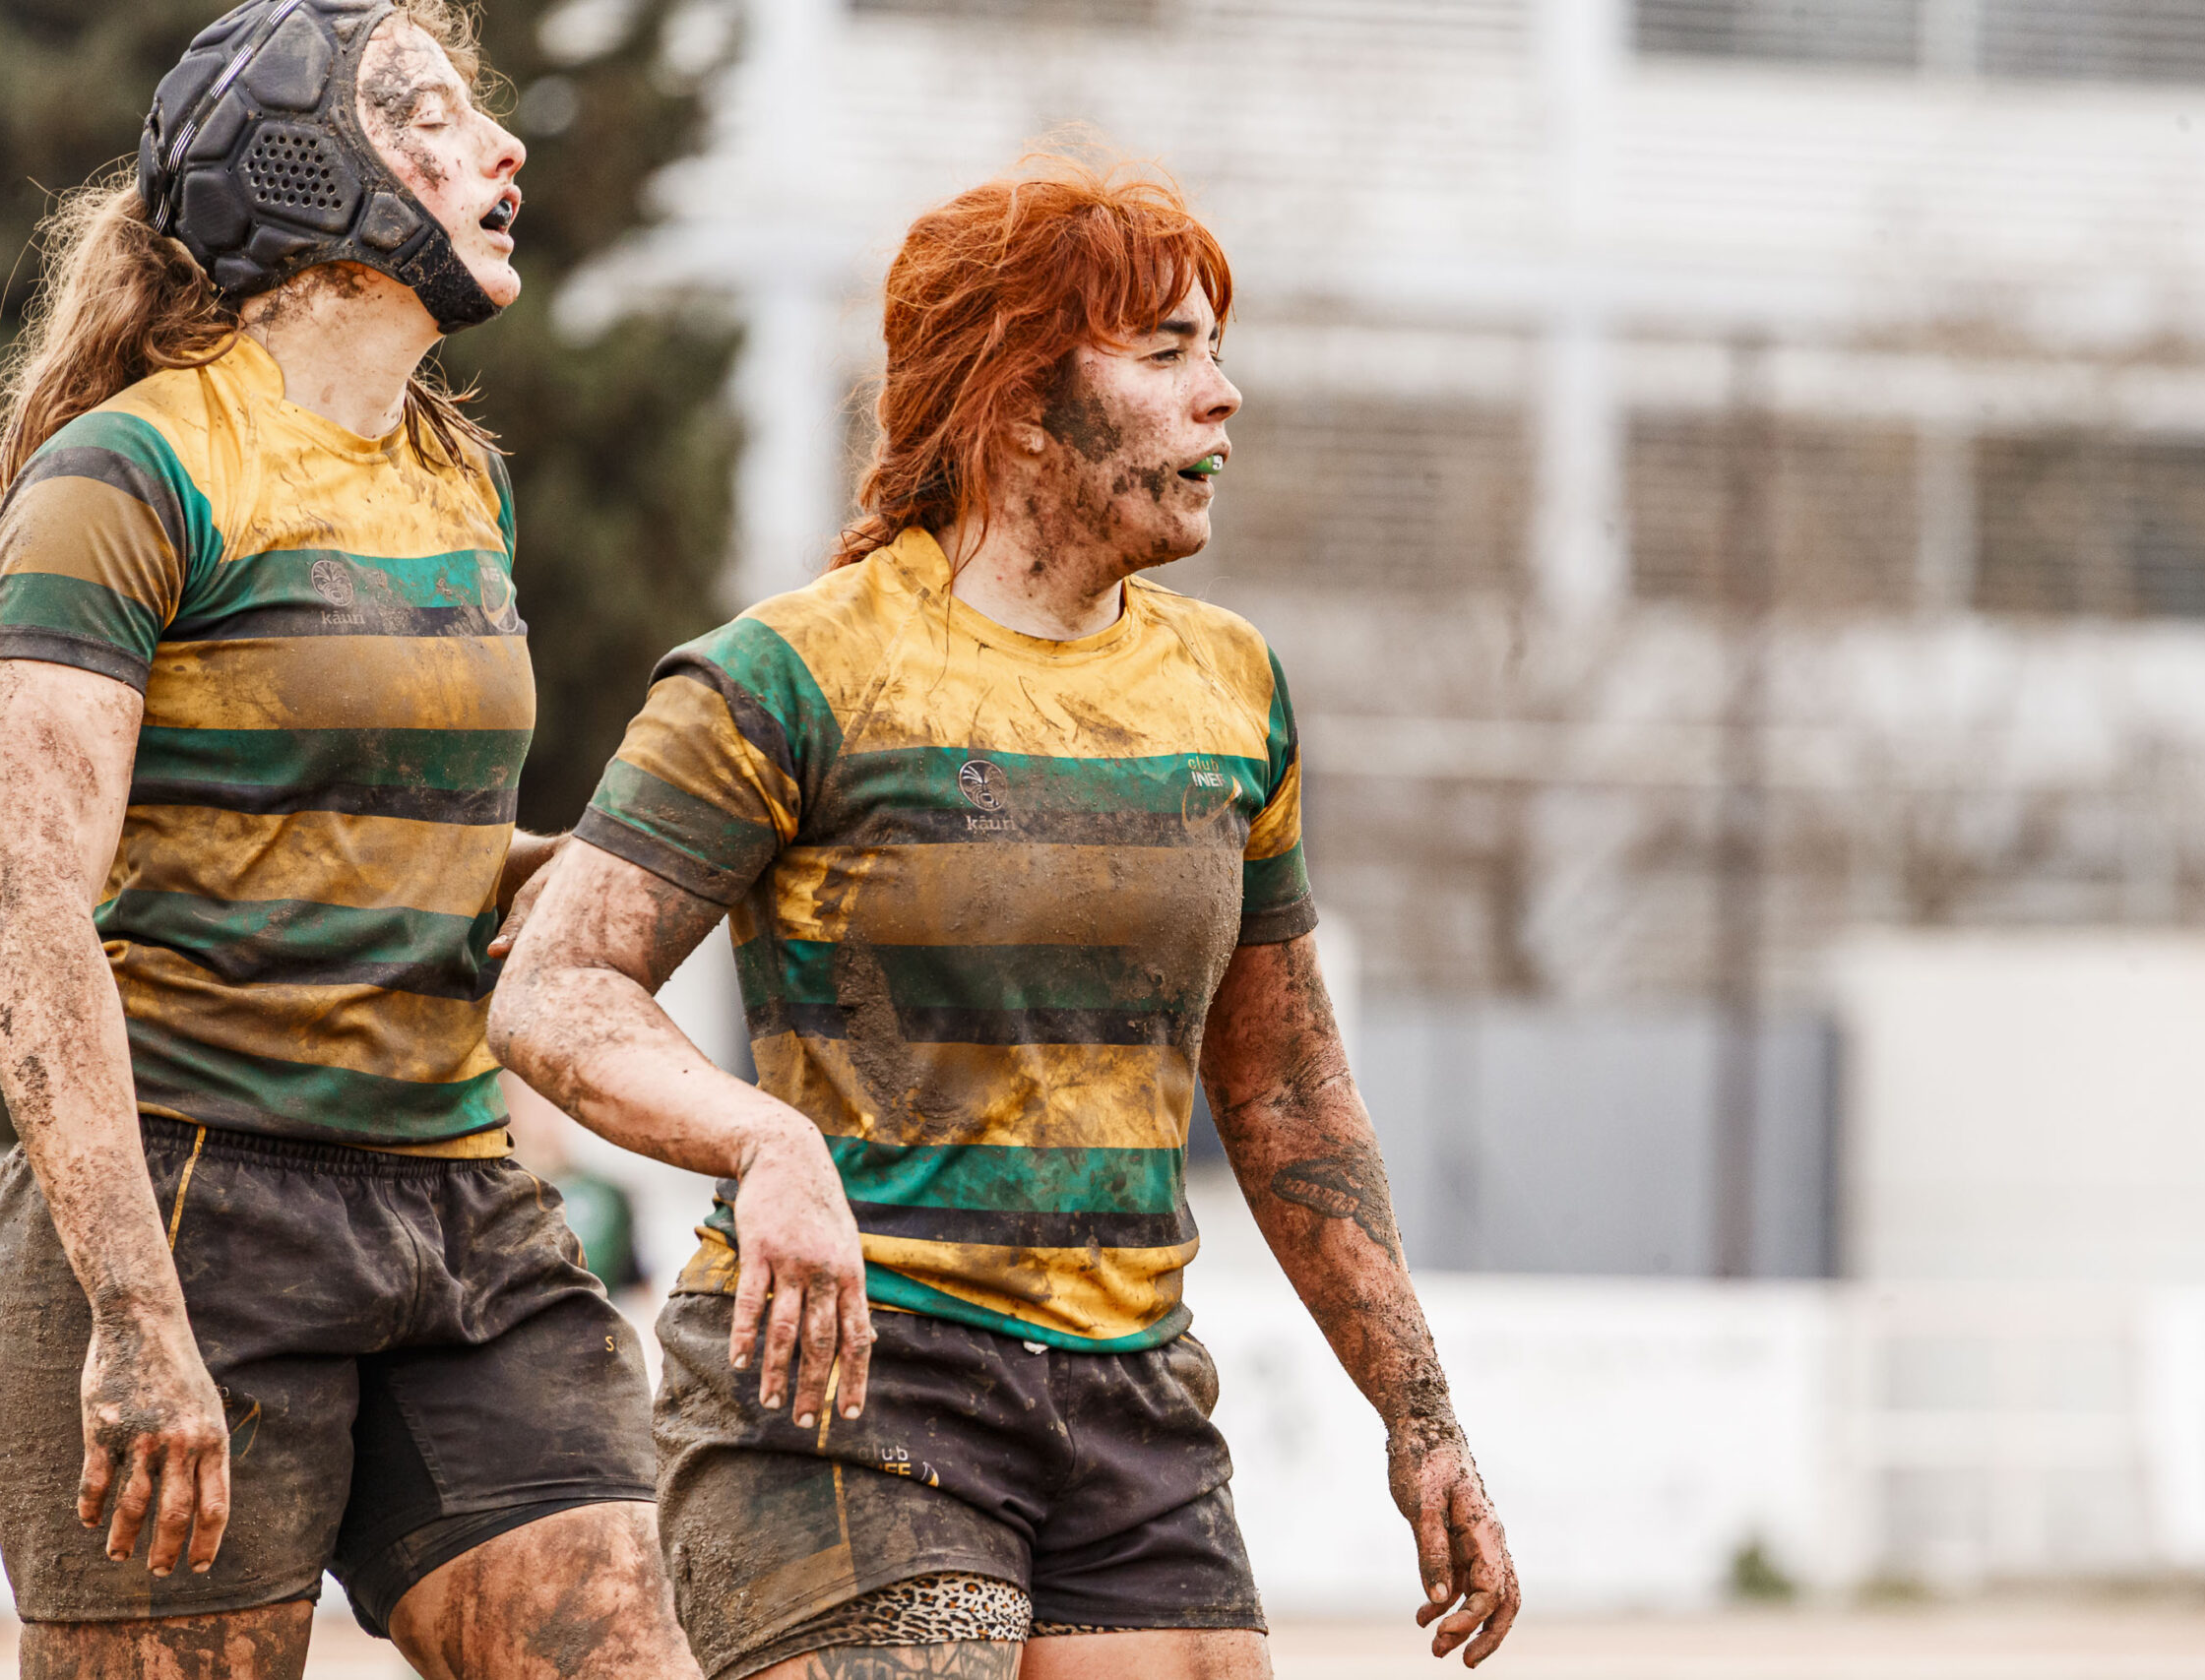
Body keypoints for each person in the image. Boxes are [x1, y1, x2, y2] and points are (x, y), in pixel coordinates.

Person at [489, 154, 1522, 1680]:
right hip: (842, 1395)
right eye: (1165, 353)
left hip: (1130, 1409)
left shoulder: (1231, 690)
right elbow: (559, 988)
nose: (1219, 395)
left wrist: (1421, 1417)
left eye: (1214, 350)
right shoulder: (793, 674)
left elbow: (1290, 1090)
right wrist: (764, 1143)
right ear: (1018, 406)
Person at [0, 3, 702, 1674]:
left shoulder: (460, 479)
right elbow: (20, 909)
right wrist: (141, 1320)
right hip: (188, 1211)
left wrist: (593, 874)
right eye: (431, 115)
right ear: (308, 174)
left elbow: (399, 852)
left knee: (634, 1645)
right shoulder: (127, 475)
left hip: (458, 1208)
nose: (503, 150)